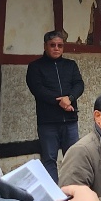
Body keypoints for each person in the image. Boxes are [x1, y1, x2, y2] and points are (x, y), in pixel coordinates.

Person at [26, 30, 85, 184]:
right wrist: (60, 101)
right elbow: (37, 89)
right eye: (53, 45)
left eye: (60, 45)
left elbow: (79, 84)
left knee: (73, 157)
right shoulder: (35, 67)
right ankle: (54, 195)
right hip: (48, 121)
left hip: (70, 121)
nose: (56, 48)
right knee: (49, 159)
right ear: (45, 46)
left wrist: (70, 98)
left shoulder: (70, 65)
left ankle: (72, 190)